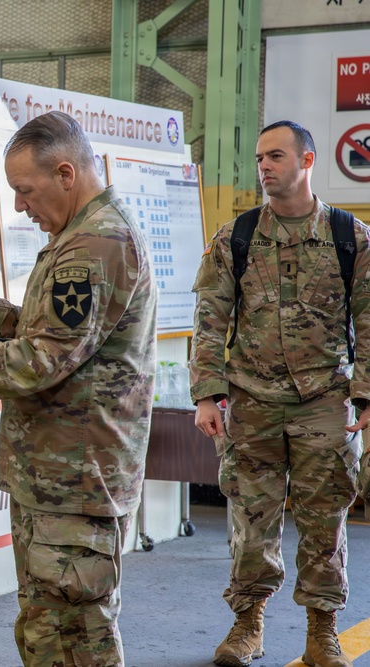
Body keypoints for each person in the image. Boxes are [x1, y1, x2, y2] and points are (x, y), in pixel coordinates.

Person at [0, 110, 157, 667]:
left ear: (66, 174)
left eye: (25, 190)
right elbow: (59, 334)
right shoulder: (82, 234)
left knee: (74, 639)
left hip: (75, 478)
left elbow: (41, 361)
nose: (20, 205)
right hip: (59, 477)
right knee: (50, 631)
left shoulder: (95, 244)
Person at [190, 120, 369, 667]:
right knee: (250, 520)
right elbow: (209, 318)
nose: (264, 166)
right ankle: (248, 626)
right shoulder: (236, 237)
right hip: (251, 401)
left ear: (307, 161)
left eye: (275, 156)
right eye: (260, 158)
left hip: (324, 401)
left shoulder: (350, 237)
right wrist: (206, 394)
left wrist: (365, 394)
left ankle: (322, 633)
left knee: (324, 520)